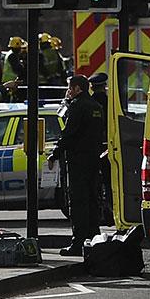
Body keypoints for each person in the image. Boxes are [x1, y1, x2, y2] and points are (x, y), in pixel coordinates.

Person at [49, 73, 106, 255]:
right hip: (93, 159)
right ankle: (94, 239)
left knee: (78, 202)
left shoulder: (77, 106)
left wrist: (54, 153)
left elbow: (69, 134)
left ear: (77, 89)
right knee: (92, 200)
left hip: (78, 161)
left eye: (70, 88)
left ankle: (78, 242)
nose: (68, 91)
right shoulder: (96, 106)